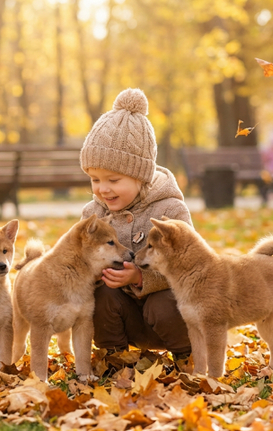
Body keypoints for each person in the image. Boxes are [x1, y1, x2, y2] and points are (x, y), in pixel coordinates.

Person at [80, 88, 193, 363]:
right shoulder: (92, 214)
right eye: (94, 179)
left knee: (163, 304)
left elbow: (191, 269)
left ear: (140, 175)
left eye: (113, 180)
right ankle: (113, 357)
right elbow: (76, 262)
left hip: (168, 317)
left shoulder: (170, 209)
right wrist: (92, 273)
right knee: (104, 296)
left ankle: (187, 355)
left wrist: (140, 278)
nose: (102, 189)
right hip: (124, 317)